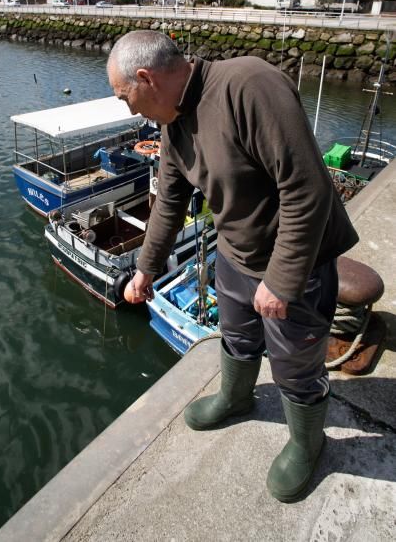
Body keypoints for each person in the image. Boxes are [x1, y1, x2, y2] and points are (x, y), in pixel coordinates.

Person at [107, 30, 358, 503]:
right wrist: (145, 268)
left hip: (295, 262)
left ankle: (309, 441)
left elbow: (308, 189)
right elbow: (169, 202)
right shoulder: (172, 120)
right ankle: (238, 398)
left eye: (126, 97)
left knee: (295, 366)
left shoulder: (249, 85)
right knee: (238, 337)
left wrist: (282, 281)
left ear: (146, 78)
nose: (129, 110)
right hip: (235, 255)